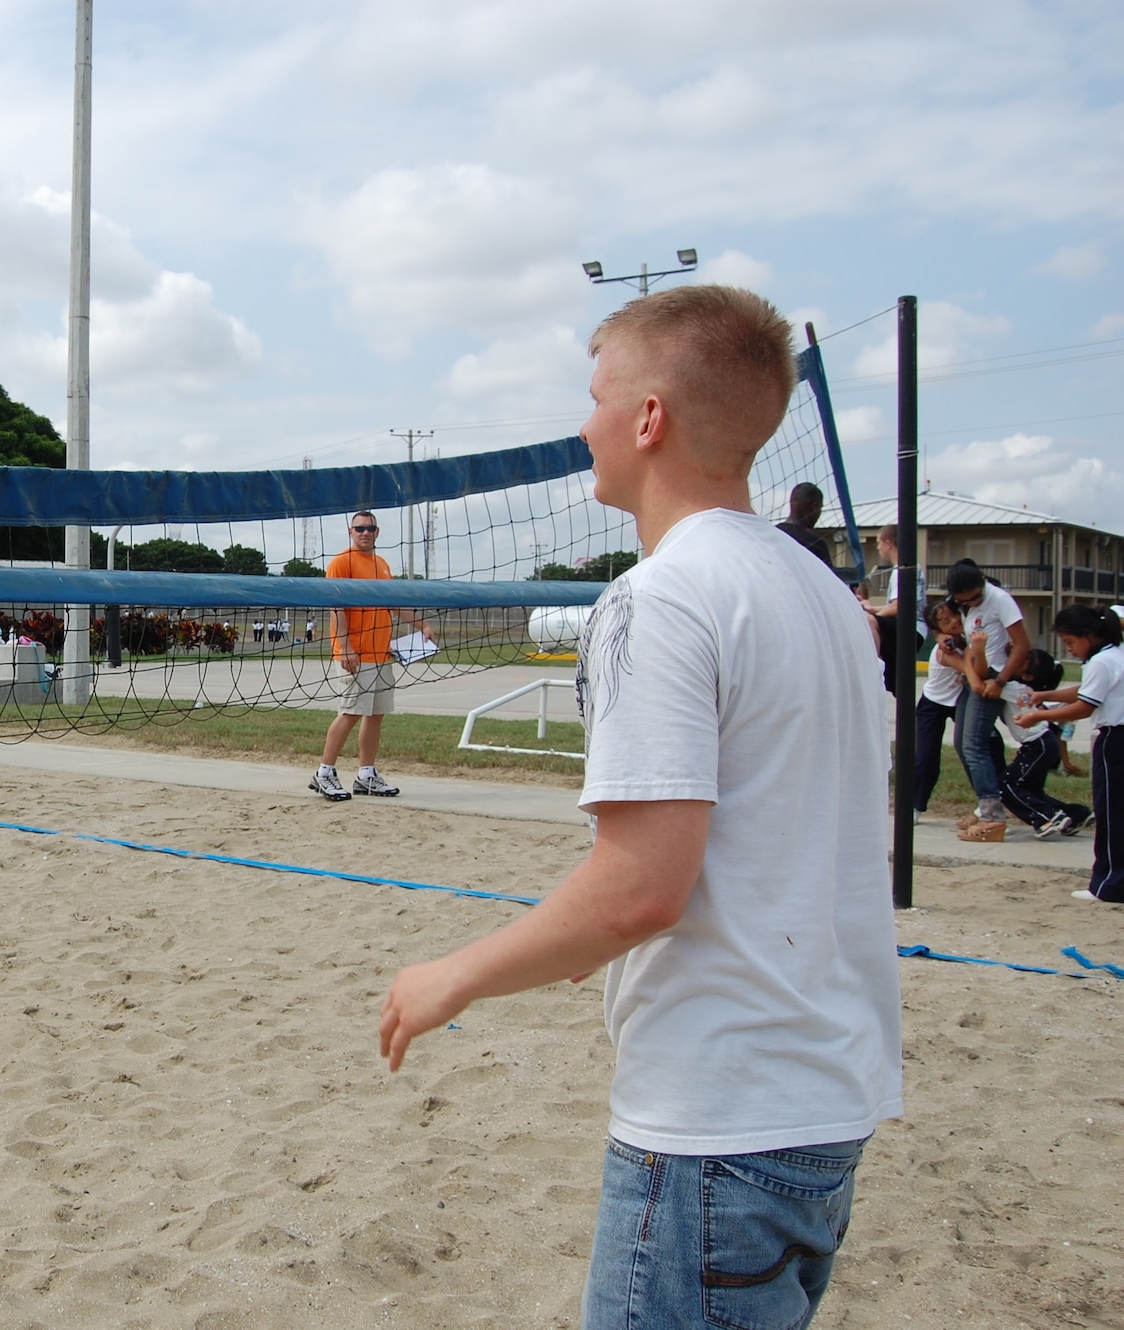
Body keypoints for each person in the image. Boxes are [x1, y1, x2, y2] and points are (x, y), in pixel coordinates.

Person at [380, 286, 901, 1330]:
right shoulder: (829, 603)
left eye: (594, 395)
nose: (583, 423)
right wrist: (579, 935)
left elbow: (639, 889)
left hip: (716, 1122)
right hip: (825, 1100)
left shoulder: (656, 596)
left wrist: (453, 974)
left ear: (648, 417)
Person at [309, 512, 428, 801]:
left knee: (376, 714)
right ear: (351, 531)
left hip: (380, 654)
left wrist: (422, 625)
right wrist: (345, 646)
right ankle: (324, 772)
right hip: (355, 654)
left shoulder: (382, 564)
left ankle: (366, 775)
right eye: (360, 528)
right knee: (350, 712)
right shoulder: (341, 562)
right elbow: (336, 609)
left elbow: (394, 604)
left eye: (370, 528)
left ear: (377, 531)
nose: (365, 533)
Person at [1013, 605, 1124, 903]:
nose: (1070, 649)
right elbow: (1085, 691)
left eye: (1071, 642)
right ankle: (1110, 879)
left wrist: (1037, 716)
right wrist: (1045, 697)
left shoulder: (1101, 662)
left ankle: (1110, 884)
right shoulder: (1115, 654)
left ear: (1089, 636)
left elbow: (1084, 706)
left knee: (1110, 812)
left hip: (1115, 739)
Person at [947, 560, 1030, 829]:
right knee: (961, 743)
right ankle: (985, 805)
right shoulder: (965, 607)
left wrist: (1002, 680)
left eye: (976, 598)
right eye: (965, 601)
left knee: (974, 745)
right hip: (975, 677)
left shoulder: (1000, 600)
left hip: (993, 679)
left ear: (983, 582)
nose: (972, 603)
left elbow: (1022, 645)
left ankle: (992, 812)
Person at [998, 648, 1090, 840]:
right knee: (1031, 791)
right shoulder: (1029, 689)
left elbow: (987, 682)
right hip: (1045, 742)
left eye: (1021, 660)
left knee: (1006, 785)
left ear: (1028, 675)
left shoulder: (1014, 688)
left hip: (1036, 745)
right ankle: (1075, 815)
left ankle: (1047, 818)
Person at [914, 599, 977, 823]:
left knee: (977, 747)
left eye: (953, 616)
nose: (952, 623)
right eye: (944, 622)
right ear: (937, 629)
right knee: (926, 757)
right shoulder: (946, 648)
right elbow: (969, 671)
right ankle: (915, 806)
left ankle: (986, 801)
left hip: (958, 700)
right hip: (933, 703)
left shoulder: (968, 635)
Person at [865, 524, 926, 693]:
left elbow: (900, 606)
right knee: (870, 617)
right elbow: (895, 604)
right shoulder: (901, 568)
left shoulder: (904, 569)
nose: (877, 548)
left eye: (879, 543)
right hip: (905, 626)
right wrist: (873, 608)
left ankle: (871, 666)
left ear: (888, 543)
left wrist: (877, 616)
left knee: (868, 621)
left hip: (912, 629)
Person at [776, 480, 834, 568]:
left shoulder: (773, 534)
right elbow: (828, 579)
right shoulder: (816, 544)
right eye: (820, 507)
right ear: (814, 506)